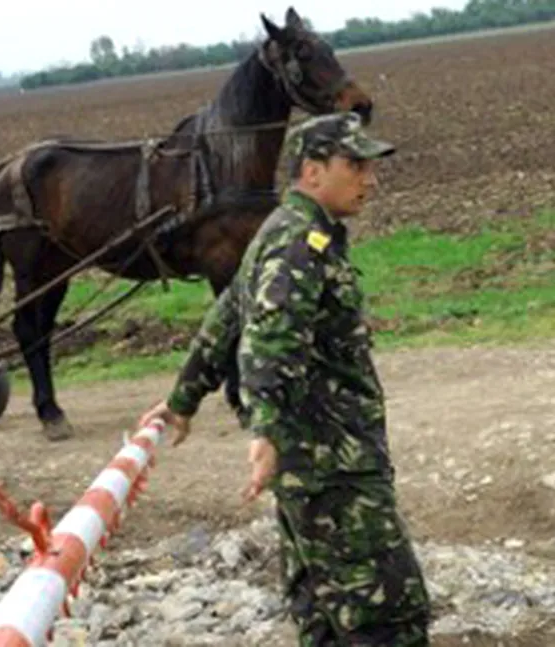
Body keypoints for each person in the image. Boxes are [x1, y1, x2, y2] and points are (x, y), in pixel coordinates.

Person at [137, 112, 431, 645]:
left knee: (320, 608)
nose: (370, 178)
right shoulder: (299, 242)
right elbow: (270, 340)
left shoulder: (284, 230)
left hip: (314, 465)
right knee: (389, 611)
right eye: (355, 164)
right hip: (331, 465)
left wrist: (184, 397)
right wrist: (266, 431)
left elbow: (228, 314)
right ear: (312, 171)